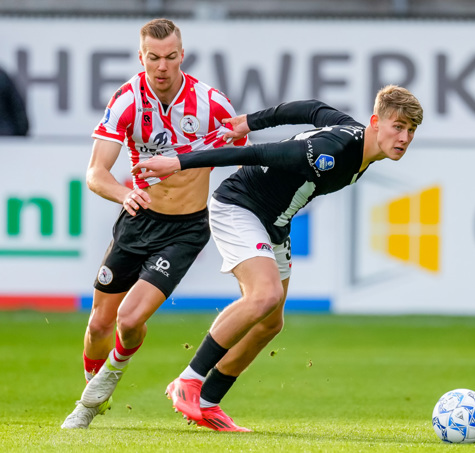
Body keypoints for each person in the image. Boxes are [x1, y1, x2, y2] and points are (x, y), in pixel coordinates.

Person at [132, 85, 423, 432]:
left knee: (270, 323)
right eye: (397, 126)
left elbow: (311, 109)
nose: (404, 137)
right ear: (375, 122)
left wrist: (249, 122)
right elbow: (258, 154)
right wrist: (177, 163)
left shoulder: (360, 142)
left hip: (275, 222)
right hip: (239, 207)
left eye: (411, 130)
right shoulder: (332, 151)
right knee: (264, 295)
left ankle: (208, 401)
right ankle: (188, 380)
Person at [61, 18, 247, 429]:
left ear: (182, 55)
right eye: (153, 58)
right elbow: (96, 174)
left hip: (185, 229)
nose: (162, 66)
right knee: (99, 324)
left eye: (170, 57)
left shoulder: (212, 103)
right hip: (138, 220)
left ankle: (94, 396)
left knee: (130, 319)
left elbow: (244, 158)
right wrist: (122, 194)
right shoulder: (127, 100)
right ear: (140, 56)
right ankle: (95, 383)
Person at [0, 67, 29, 136]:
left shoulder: (2, 77)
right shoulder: (2, 76)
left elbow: (17, 107)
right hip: (7, 132)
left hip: (6, 133)